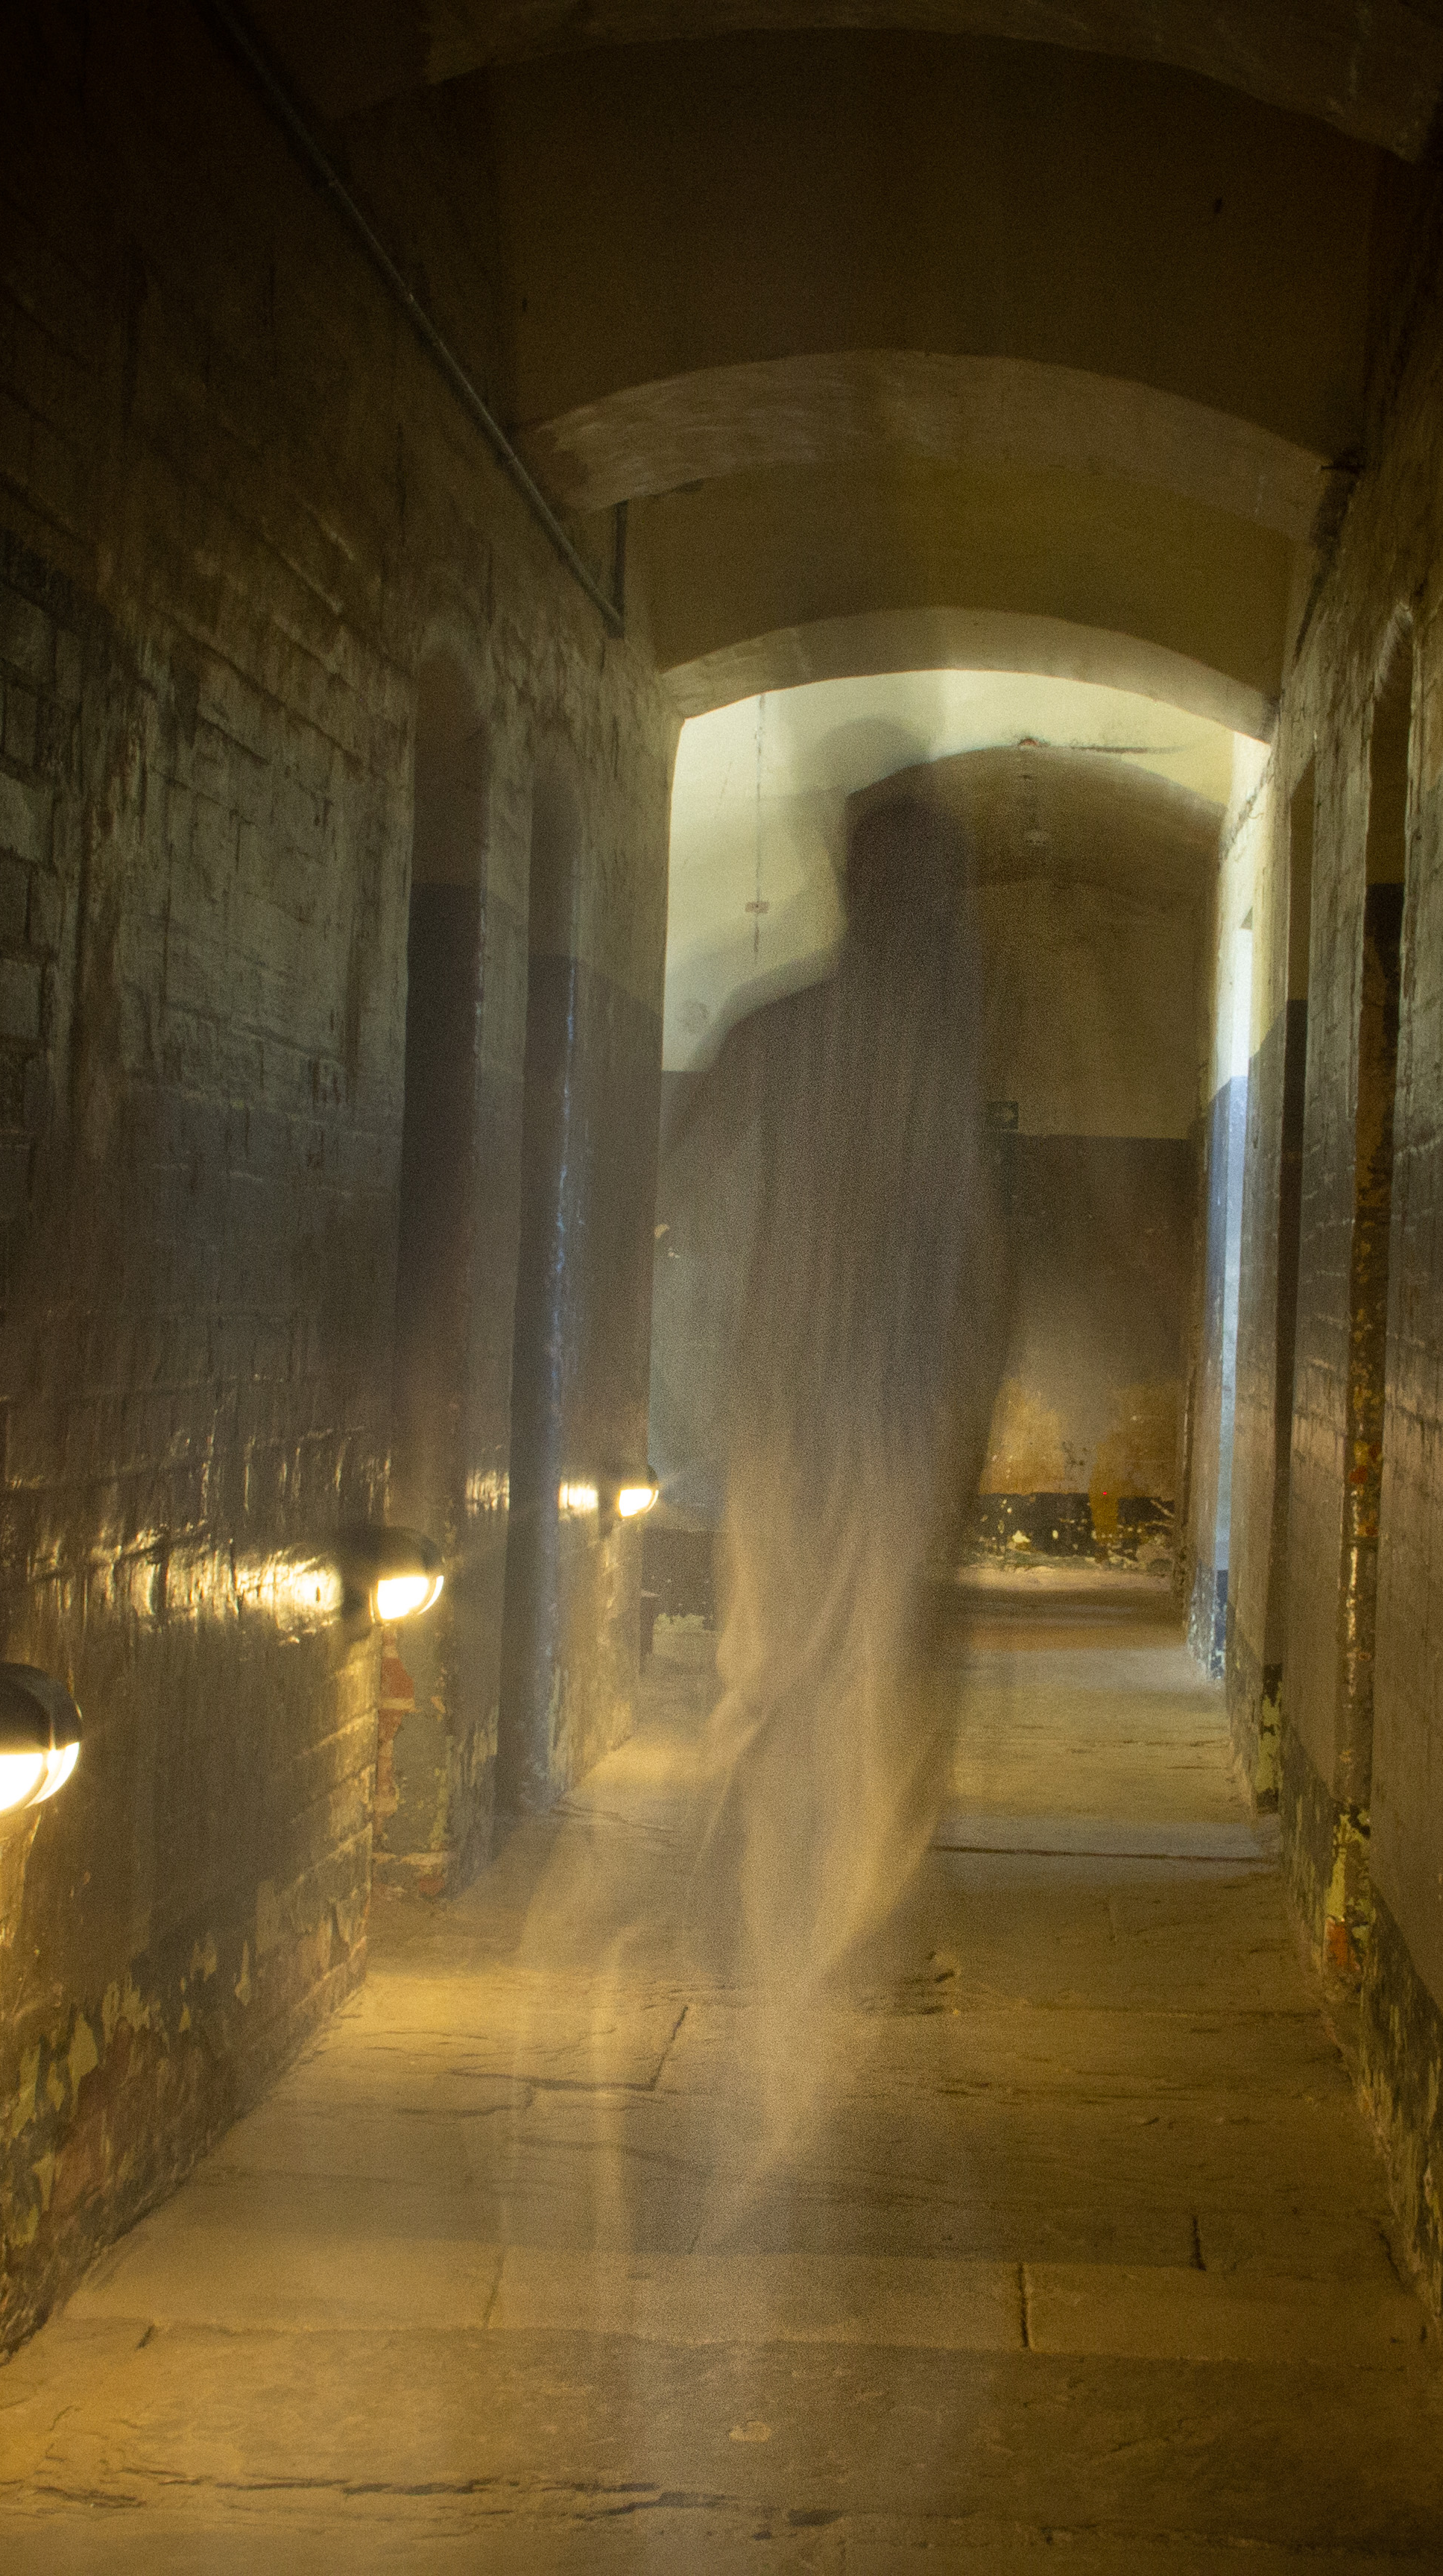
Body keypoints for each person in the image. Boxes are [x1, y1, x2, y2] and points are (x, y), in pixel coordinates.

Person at [667, 792, 1008, 2154]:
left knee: (789, 1668)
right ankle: (815, 1929)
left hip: (804, 1412)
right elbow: (983, 1266)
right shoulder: (930, 1057)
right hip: (873, 1417)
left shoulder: (789, 1032)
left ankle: (777, 1923)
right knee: (858, 1673)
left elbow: (678, 1191)